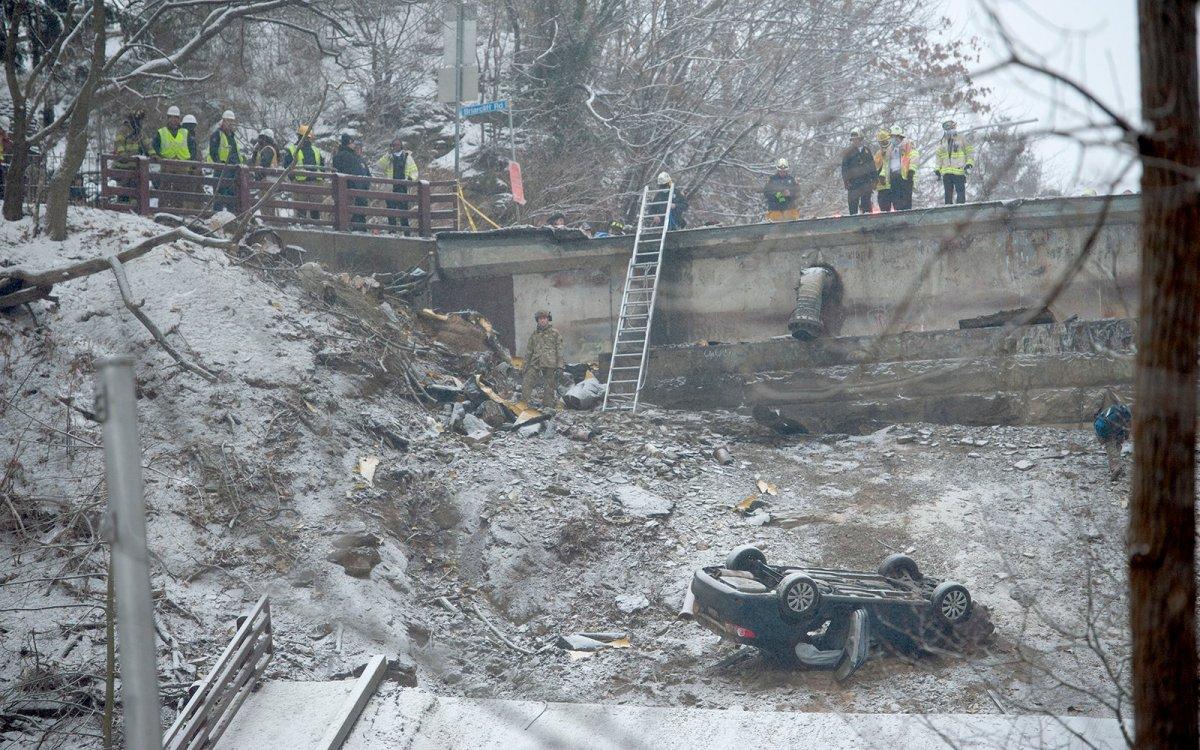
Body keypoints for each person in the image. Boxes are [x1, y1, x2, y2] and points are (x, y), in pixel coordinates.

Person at [282, 125, 326, 221]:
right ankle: (304, 226)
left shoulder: (316, 150)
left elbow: (322, 166)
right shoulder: (293, 149)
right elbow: (287, 166)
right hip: (300, 183)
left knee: (315, 209)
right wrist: (293, 178)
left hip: (314, 184)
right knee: (302, 210)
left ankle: (315, 226)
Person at [521, 310, 563, 408]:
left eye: (544, 318)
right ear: (537, 321)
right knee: (527, 381)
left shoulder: (555, 333)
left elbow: (560, 351)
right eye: (540, 319)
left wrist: (560, 366)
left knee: (549, 386)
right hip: (535, 362)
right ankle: (523, 405)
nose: (543, 321)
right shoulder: (534, 335)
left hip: (550, 363)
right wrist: (524, 366)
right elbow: (529, 352)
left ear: (548, 319)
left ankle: (548, 406)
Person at [376, 136, 419, 230]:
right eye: (394, 145)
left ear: (401, 146)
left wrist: (411, 179)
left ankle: (406, 231)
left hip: (403, 187)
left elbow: (414, 171)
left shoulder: (408, 157)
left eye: (397, 144)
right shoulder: (389, 156)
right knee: (391, 211)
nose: (395, 146)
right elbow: (379, 165)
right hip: (391, 188)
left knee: (404, 211)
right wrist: (388, 156)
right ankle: (392, 230)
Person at [332, 134, 372, 227]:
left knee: (356, 214)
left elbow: (365, 173)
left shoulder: (356, 158)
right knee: (350, 215)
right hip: (352, 190)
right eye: (352, 143)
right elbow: (350, 173)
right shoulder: (346, 156)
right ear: (349, 143)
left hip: (358, 190)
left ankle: (356, 228)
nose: (354, 146)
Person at [208, 110, 243, 212]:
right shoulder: (217, 135)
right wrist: (219, 164)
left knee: (231, 197)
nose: (230, 124)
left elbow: (236, 153)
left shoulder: (233, 137)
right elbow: (213, 152)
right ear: (223, 121)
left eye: (232, 121)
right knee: (219, 196)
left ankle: (231, 219)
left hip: (232, 171)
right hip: (221, 170)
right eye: (228, 121)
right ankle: (216, 216)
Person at [934, 119, 974, 205]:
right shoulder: (942, 141)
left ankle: (961, 209)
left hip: (959, 170)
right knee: (948, 194)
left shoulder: (961, 138)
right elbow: (938, 156)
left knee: (960, 192)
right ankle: (948, 210)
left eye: (950, 128)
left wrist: (969, 163)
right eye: (947, 129)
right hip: (946, 171)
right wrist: (937, 169)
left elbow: (969, 151)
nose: (949, 131)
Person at [113, 110, 148, 205]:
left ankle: (133, 207)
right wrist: (123, 154)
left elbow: (147, 144)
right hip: (122, 166)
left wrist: (153, 154)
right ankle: (122, 207)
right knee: (123, 191)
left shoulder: (139, 131)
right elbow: (118, 143)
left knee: (134, 189)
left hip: (133, 167)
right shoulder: (124, 129)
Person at [1093, 395, 1132, 480]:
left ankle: (1115, 467)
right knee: (1114, 447)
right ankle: (1116, 467)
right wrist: (1125, 436)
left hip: (1101, 428)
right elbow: (1126, 429)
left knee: (1111, 448)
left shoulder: (1115, 409)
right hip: (1108, 431)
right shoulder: (1126, 416)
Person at [880, 125, 918, 211]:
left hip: (905, 177)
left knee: (906, 200)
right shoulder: (890, 149)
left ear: (898, 136)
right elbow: (886, 163)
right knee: (896, 200)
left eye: (893, 136)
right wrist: (882, 175)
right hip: (893, 177)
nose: (892, 139)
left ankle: (907, 216)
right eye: (891, 137)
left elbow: (914, 157)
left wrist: (911, 170)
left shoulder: (908, 145)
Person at [840, 128, 876, 215]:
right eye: (853, 139)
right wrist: (846, 181)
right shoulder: (848, 152)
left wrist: (874, 179)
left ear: (861, 139)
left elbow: (872, 166)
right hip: (853, 183)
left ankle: (868, 221)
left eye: (856, 139)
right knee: (853, 205)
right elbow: (844, 168)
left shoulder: (867, 151)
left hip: (866, 182)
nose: (855, 141)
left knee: (866, 204)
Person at [251, 129, 279, 217]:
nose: (259, 141)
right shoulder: (263, 149)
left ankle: (269, 220)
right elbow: (254, 161)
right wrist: (255, 152)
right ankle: (267, 219)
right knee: (265, 203)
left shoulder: (268, 149)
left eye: (262, 138)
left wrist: (259, 176)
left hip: (267, 179)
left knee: (266, 203)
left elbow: (264, 165)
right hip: (266, 179)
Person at [872, 129, 892, 211]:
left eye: (885, 141)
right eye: (882, 142)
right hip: (882, 188)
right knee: (884, 209)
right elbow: (875, 168)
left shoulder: (894, 151)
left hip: (893, 186)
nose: (884, 144)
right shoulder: (878, 154)